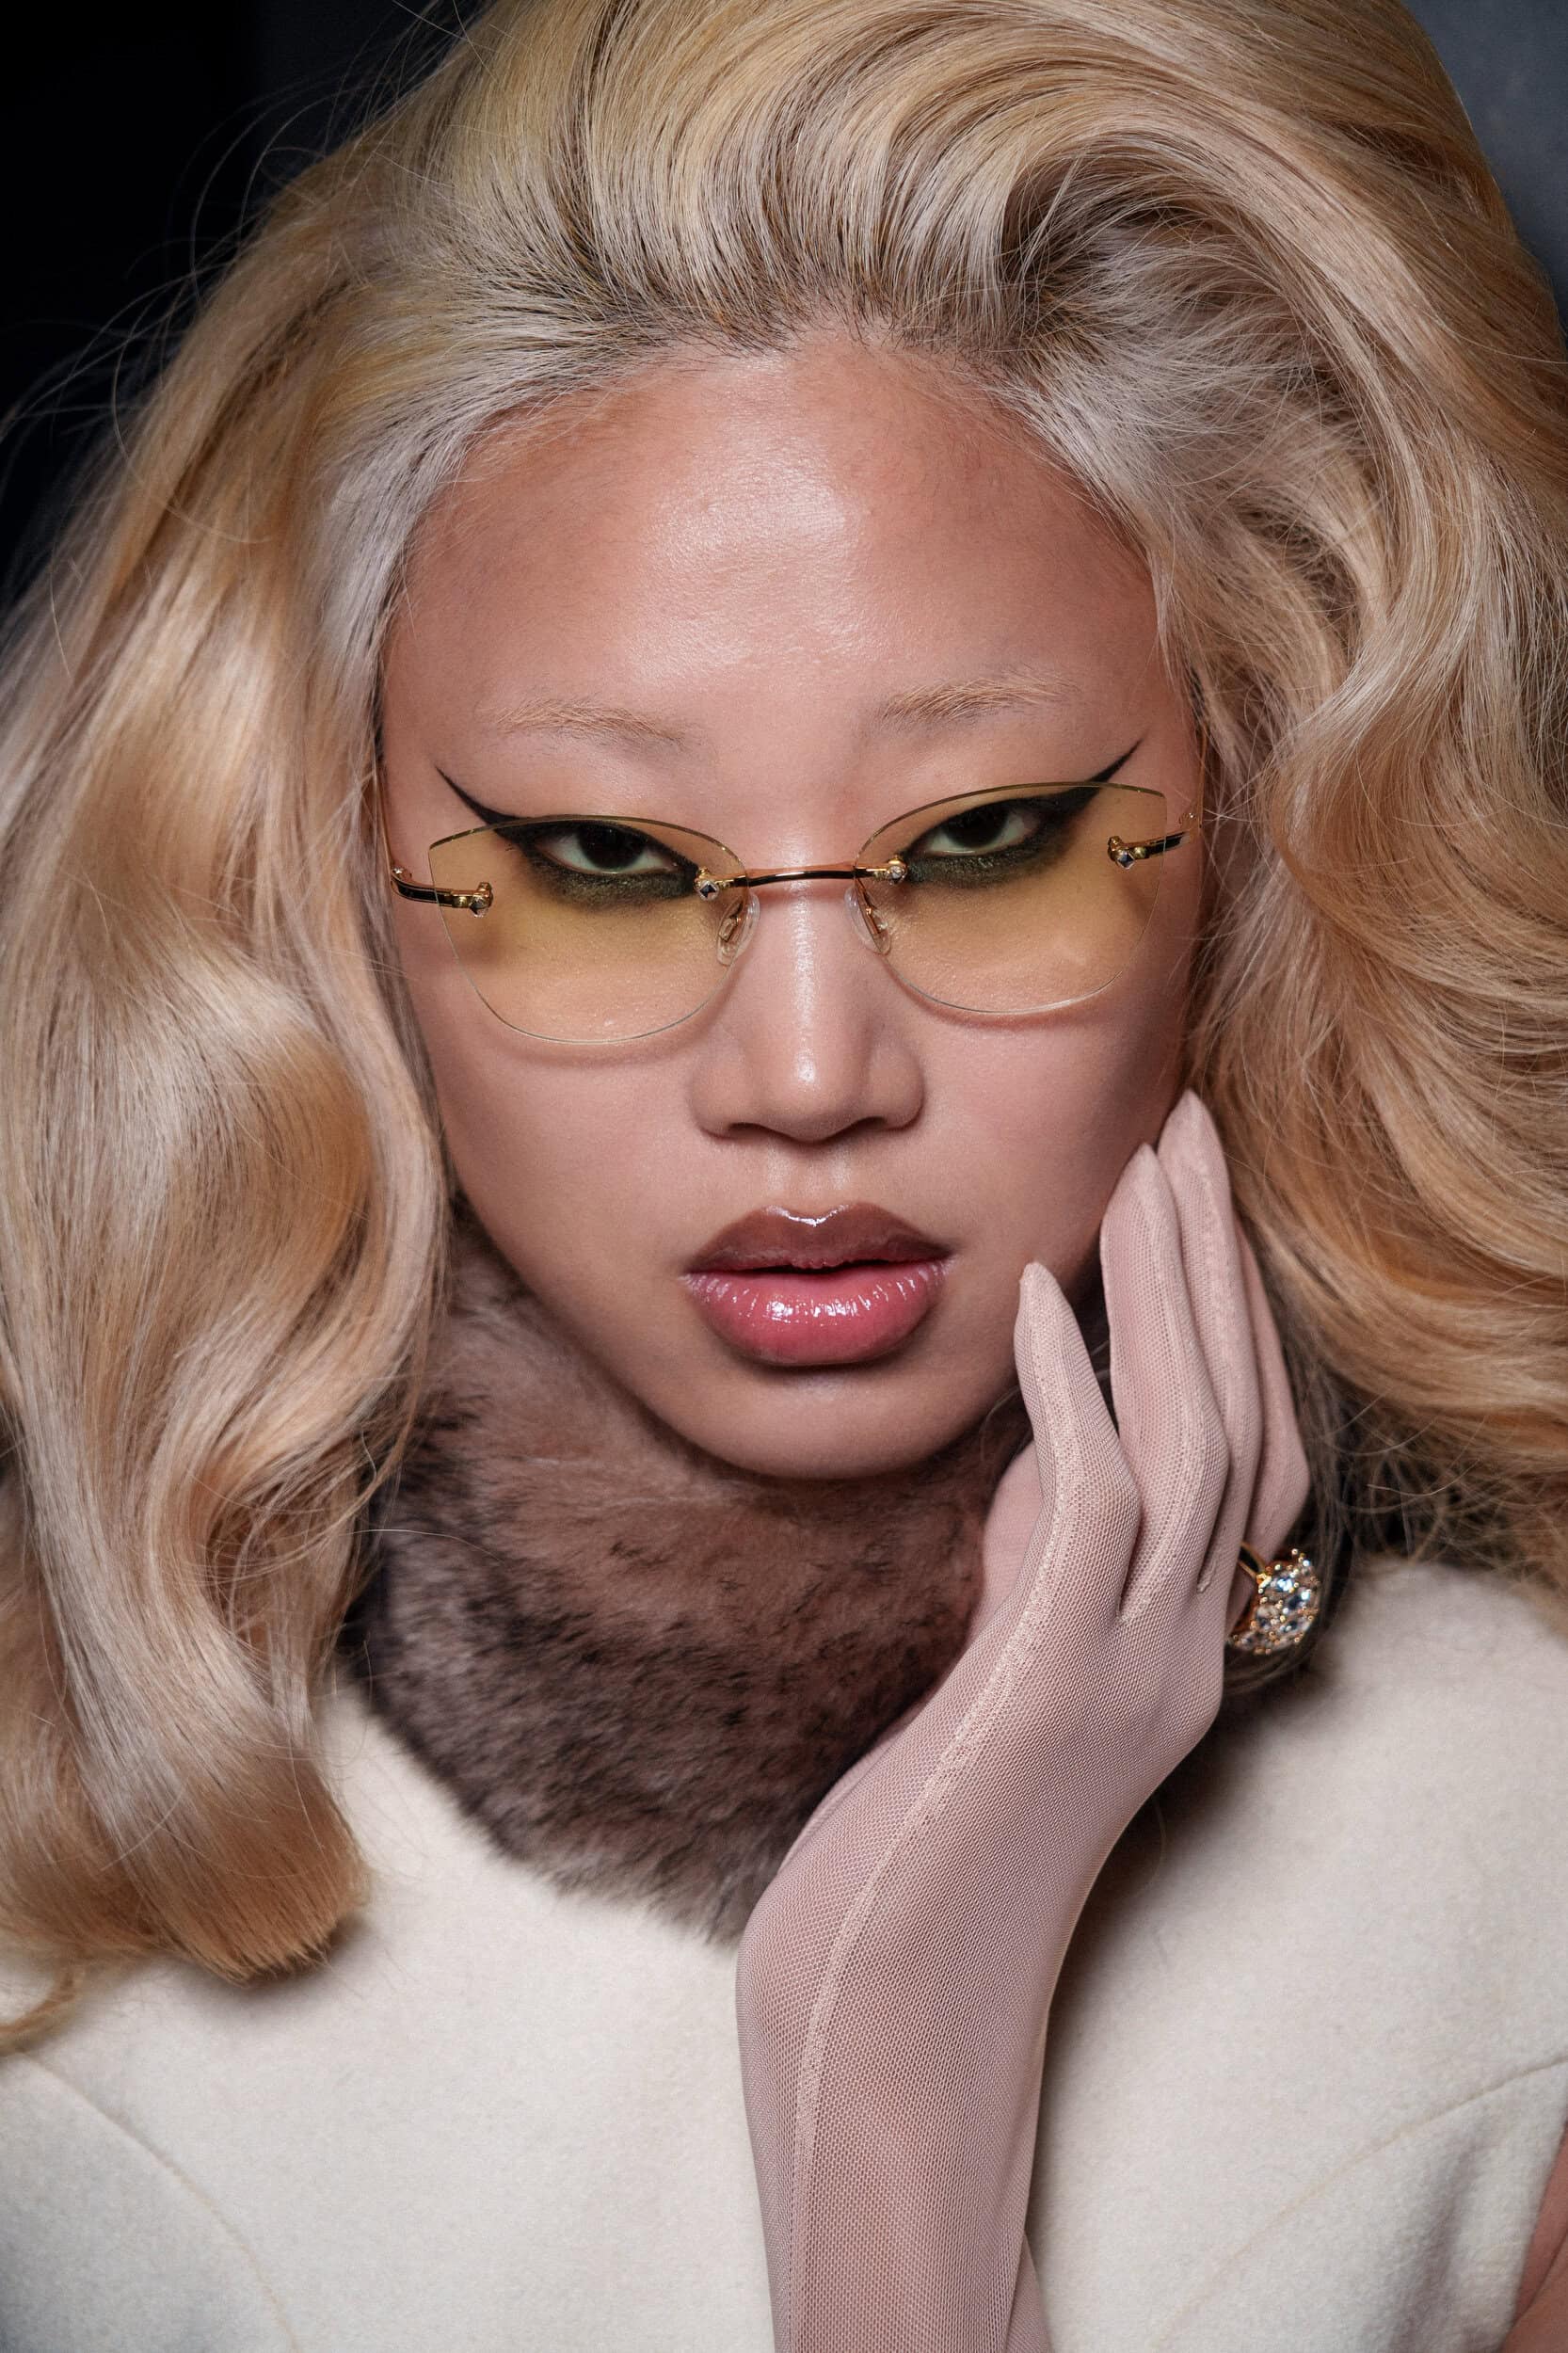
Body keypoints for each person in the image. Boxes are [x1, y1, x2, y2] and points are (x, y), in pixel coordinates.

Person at [1, 0, 1566, 2344]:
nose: (808, 1073)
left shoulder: (1523, 1874)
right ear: (322, 862)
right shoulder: (54, 1867)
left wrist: (897, 2069)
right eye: (608, 859)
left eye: (988, 838)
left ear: (1259, 816)